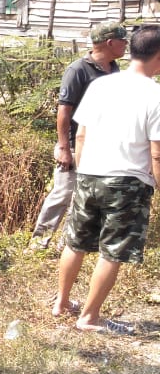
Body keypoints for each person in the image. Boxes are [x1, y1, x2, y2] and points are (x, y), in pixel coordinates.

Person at [51, 24, 160, 332]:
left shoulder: (102, 85)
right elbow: (156, 153)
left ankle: (61, 303)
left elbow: (81, 133)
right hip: (127, 182)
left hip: (89, 174)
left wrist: (84, 171)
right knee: (113, 251)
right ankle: (89, 317)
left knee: (77, 242)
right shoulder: (156, 95)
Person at [28, 22, 128, 251]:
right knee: (62, 194)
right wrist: (64, 148)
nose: (126, 46)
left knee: (84, 198)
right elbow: (64, 111)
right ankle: (38, 243)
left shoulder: (114, 69)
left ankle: (68, 245)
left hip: (99, 146)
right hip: (74, 145)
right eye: (123, 41)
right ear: (110, 42)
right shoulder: (78, 70)